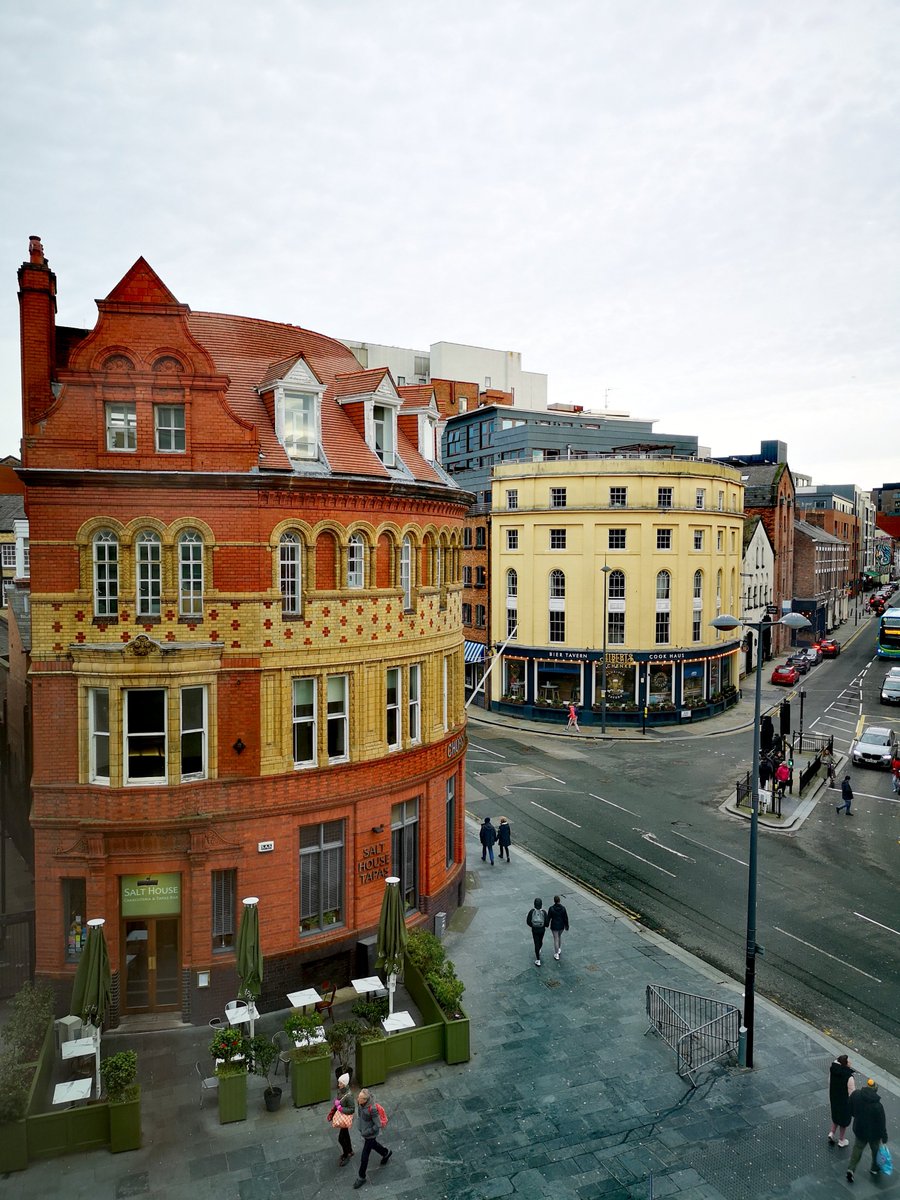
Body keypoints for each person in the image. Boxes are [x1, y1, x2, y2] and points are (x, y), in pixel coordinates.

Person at [846, 1078, 888, 1182]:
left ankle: (851, 1169)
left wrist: (854, 1114)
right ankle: (874, 1168)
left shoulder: (856, 1095)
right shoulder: (877, 1106)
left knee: (858, 1148)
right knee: (876, 1151)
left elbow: (850, 1107)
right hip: (874, 1134)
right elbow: (881, 1123)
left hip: (860, 1129)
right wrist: (884, 1136)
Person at [353, 1088, 392, 1188]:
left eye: (360, 1098)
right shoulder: (360, 1104)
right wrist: (359, 1125)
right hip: (365, 1132)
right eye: (358, 1097)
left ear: (365, 1100)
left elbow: (378, 1124)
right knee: (374, 1145)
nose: (358, 1099)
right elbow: (360, 1115)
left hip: (370, 1135)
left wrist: (367, 1131)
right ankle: (385, 1153)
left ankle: (361, 1177)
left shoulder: (372, 1109)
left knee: (364, 1156)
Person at [328, 1072, 355, 1166]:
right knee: (346, 1135)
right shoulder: (340, 1091)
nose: (338, 1084)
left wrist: (340, 1108)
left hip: (344, 1117)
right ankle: (350, 1151)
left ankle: (346, 1154)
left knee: (341, 1138)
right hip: (341, 1116)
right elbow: (338, 1101)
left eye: (340, 1083)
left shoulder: (349, 1096)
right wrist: (333, 1112)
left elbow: (352, 1109)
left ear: (345, 1084)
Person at [828, 1054, 855, 1147]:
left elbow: (830, 1082)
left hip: (834, 1097)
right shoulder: (849, 1077)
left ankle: (831, 1133)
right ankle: (841, 1140)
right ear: (846, 1063)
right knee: (843, 1121)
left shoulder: (833, 1070)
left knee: (836, 1116)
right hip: (844, 1101)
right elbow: (852, 1093)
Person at [547, 895, 570, 961]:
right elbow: (565, 918)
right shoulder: (563, 908)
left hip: (554, 926)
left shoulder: (551, 908)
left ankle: (556, 953)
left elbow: (549, 917)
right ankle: (559, 949)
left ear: (554, 901)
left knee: (556, 939)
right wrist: (567, 926)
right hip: (561, 925)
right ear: (559, 900)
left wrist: (547, 924)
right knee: (559, 937)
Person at [527, 897, 547, 967]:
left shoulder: (532, 911)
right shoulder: (544, 912)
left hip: (534, 930)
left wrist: (533, 926)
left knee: (536, 943)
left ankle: (538, 960)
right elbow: (547, 923)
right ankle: (539, 949)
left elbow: (528, 922)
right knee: (540, 940)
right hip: (542, 930)